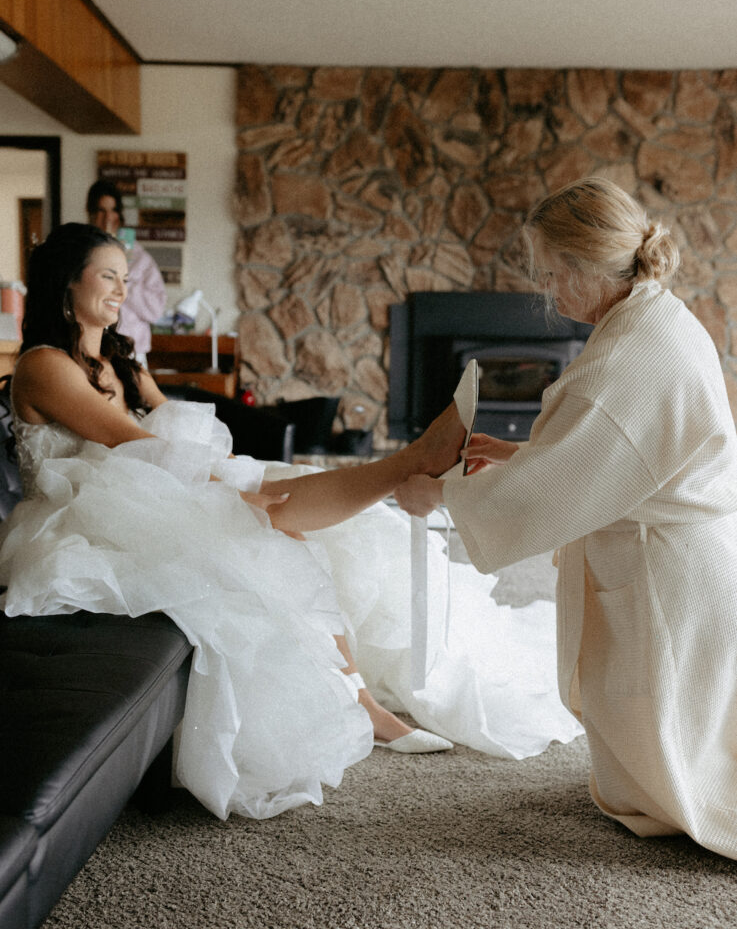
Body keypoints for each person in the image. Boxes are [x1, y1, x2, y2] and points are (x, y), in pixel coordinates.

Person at [0, 224, 581, 821]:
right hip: (92, 512)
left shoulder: (117, 360)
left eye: (126, 279)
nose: (122, 290)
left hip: (141, 483)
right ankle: (408, 471)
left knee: (284, 501)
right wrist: (230, 480)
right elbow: (134, 444)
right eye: (107, 277)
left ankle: (404, 482)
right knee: (270, 515)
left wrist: (233, 468)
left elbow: (172, 425)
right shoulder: (44, 367)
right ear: (67, 284)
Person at [395, 176, 737, 860]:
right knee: (656, 719)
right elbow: (625, 453)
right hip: (687, 545)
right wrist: (530, 453)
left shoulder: (620, 357)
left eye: (554, 274)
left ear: (587, 267)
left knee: (661, 727)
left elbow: (557, 484)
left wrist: (439, 495)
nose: (550, 293)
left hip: (666, 567)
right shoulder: (655, 315)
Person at [86, 179, 167, 365]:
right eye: (101, 211)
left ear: (120, 215)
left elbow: (156, 310)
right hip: (91, 349)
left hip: (130, 352)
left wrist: (123, 282)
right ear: (90, 213)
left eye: (113, 210)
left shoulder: (139, 258)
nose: (107, 218)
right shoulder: (81, 254)